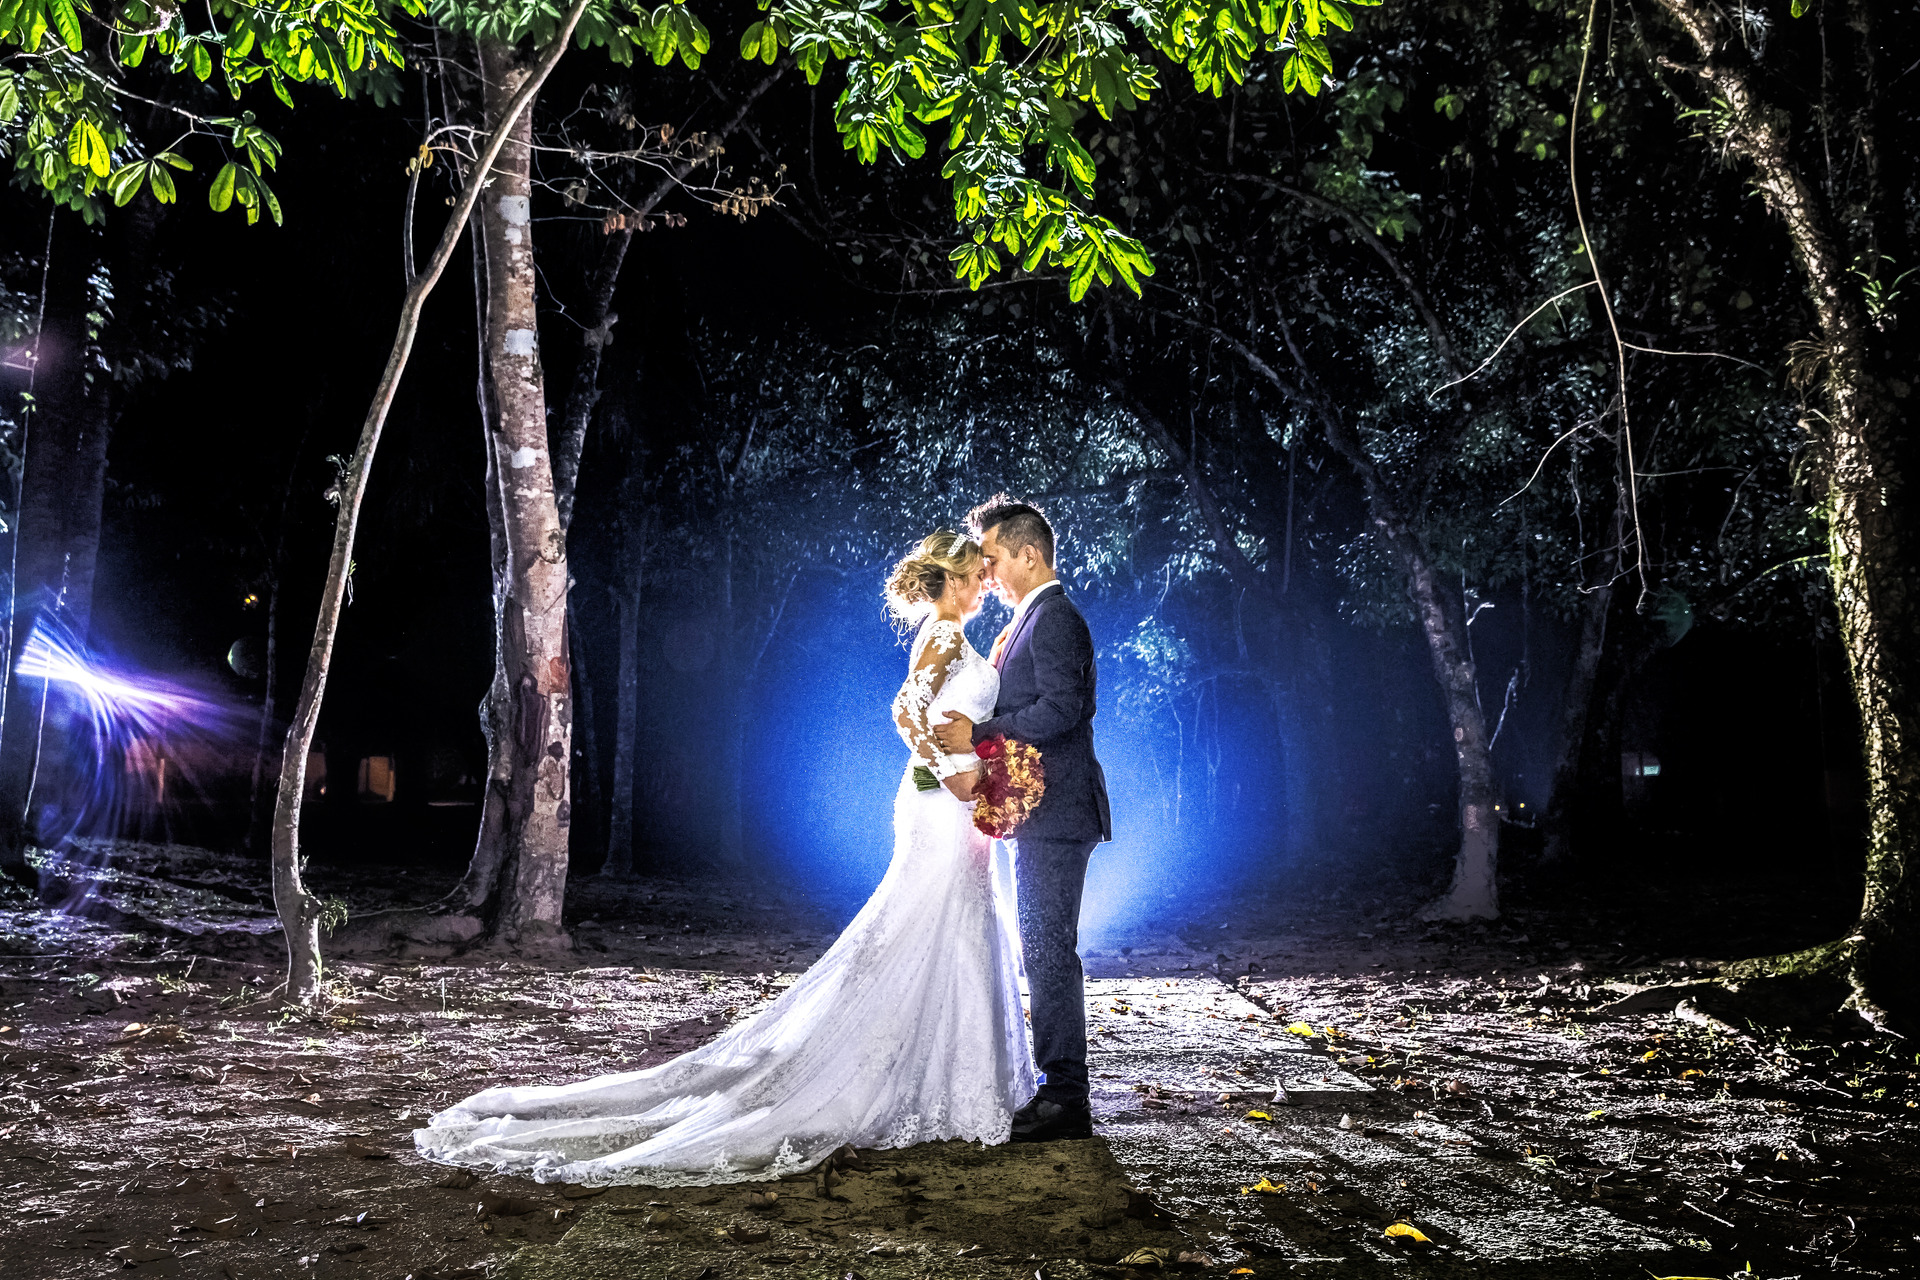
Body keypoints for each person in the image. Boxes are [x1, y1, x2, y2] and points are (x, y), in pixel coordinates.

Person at [413, 531, 1033, 1186]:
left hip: (956, 801)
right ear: (954, 581)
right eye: (977, 574)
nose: (984, 583)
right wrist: (955, 772)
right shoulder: (940, 634)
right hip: (941, 801)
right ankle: (889, 1075)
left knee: (958, 928)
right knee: (919, 927)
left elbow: (946, 711)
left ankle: (960, 1075)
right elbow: (907, 711)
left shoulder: (956, 638)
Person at [934, 495, 1111, 1143]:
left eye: (992, 559)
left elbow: (1062, 709)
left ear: (1028, 555)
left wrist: (981, 733)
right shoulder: (1030, 621)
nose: (987, 574)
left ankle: (1066, 1097)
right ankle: (1057, 1088)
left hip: (1058, 812)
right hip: (1039, 814)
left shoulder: (1056, 619)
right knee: (1038, 945)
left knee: (1046, 949)